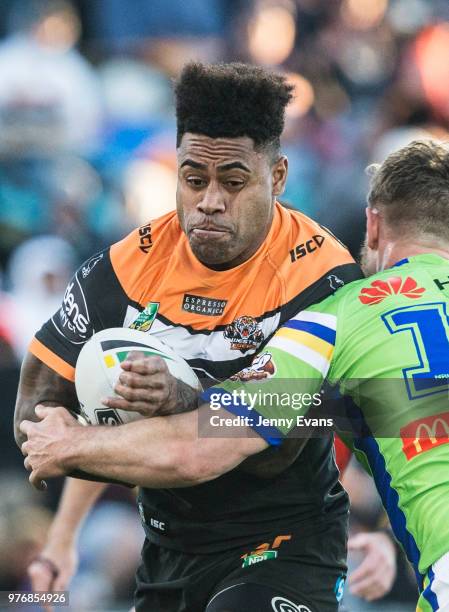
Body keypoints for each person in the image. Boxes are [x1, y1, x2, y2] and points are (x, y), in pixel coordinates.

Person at [16, 62, 363, 612]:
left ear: (276, 177)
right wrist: (64, 518)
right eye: (193, 179)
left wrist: (173, 400)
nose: (209, 202)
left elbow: (267, 450)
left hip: (284, 545)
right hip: (167, 549)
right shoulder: (126, 268)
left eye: (233, 181)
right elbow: (38, 414)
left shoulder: (324, 281)